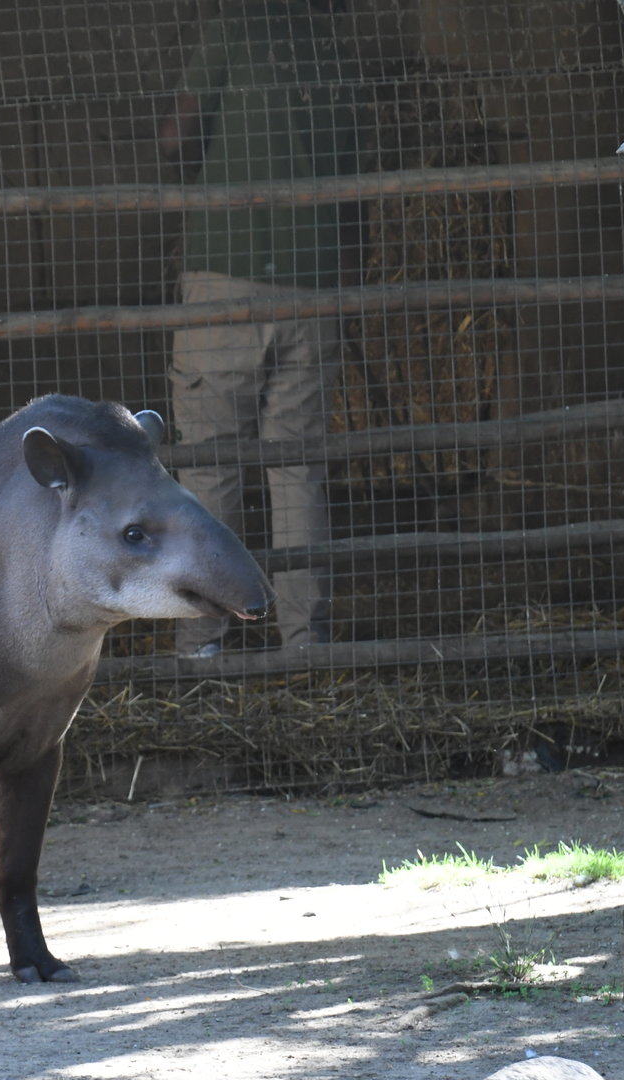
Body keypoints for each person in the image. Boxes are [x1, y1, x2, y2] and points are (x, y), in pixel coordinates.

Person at [158, 0, 358, 658]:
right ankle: (306, 644)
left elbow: (175, 139)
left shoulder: (231, 32)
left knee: (211, 464)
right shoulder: (337, 49)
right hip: (315, 281)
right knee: (297, 471)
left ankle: (202, 642)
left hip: (227, 272)